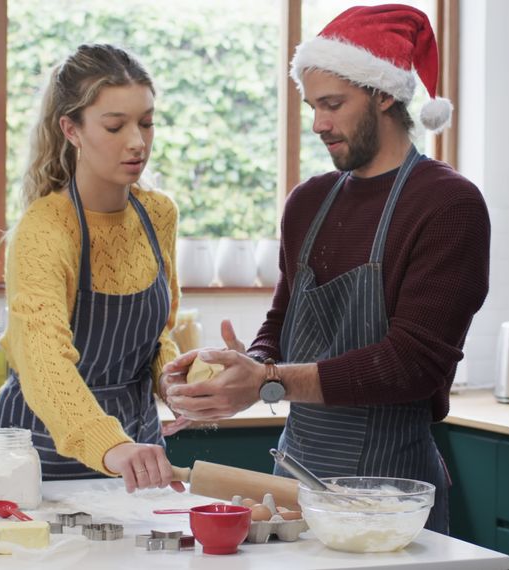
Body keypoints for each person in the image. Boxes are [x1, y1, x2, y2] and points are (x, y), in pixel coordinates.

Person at [163, 5, 490, 532]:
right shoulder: (308, 202)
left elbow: (413, 364)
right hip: (295, 486)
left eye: (333, 105)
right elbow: (284, 320)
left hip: (393, 498)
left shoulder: (449, 205)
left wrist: (268, 379)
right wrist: (241, 368)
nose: (318, 124)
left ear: (385, 94)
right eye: (313, 106)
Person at [0, 44, 184, 493]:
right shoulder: (45, 228)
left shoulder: (158, 215)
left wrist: (177, 383)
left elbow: (159, 337)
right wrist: (109, 445)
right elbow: (42, 358)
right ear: (71, 130)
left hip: (139, 448)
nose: (137, 141)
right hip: (38, 453)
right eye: (115, 126)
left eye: (147, 123)